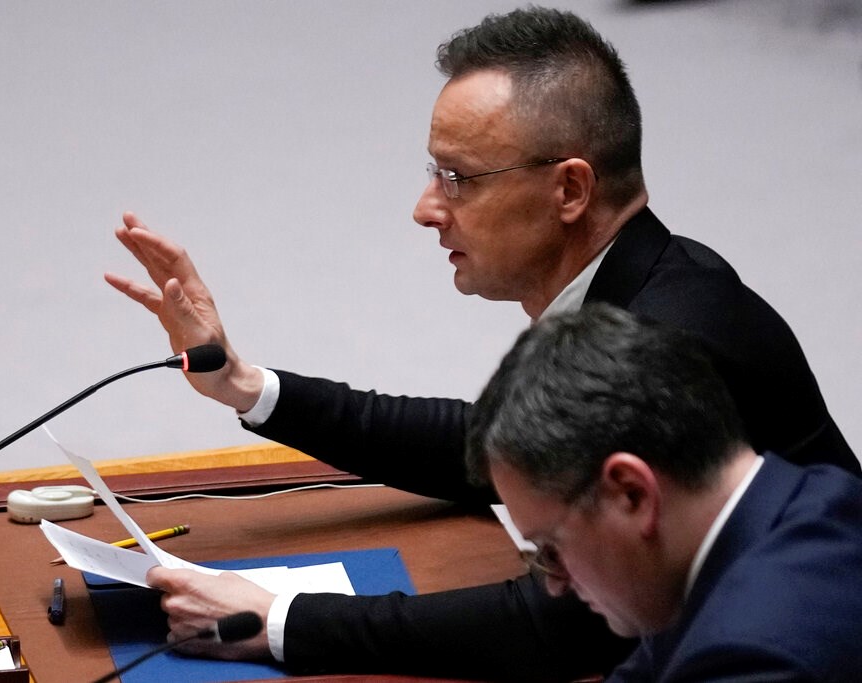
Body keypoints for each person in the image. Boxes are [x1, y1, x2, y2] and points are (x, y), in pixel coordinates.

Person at [108, 6, 858, 681]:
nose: (426, 208)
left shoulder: (678, 334)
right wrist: (244, 384)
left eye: (459, 177)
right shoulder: (644, 277)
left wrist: (276, 619)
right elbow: (492, 448)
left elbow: (559, 629)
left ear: (570, 190)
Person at [466, 303, 862, 681]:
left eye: (551, 549)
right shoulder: (810, 497)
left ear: (631, 493)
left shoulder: (753, 654)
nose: (555, 584)